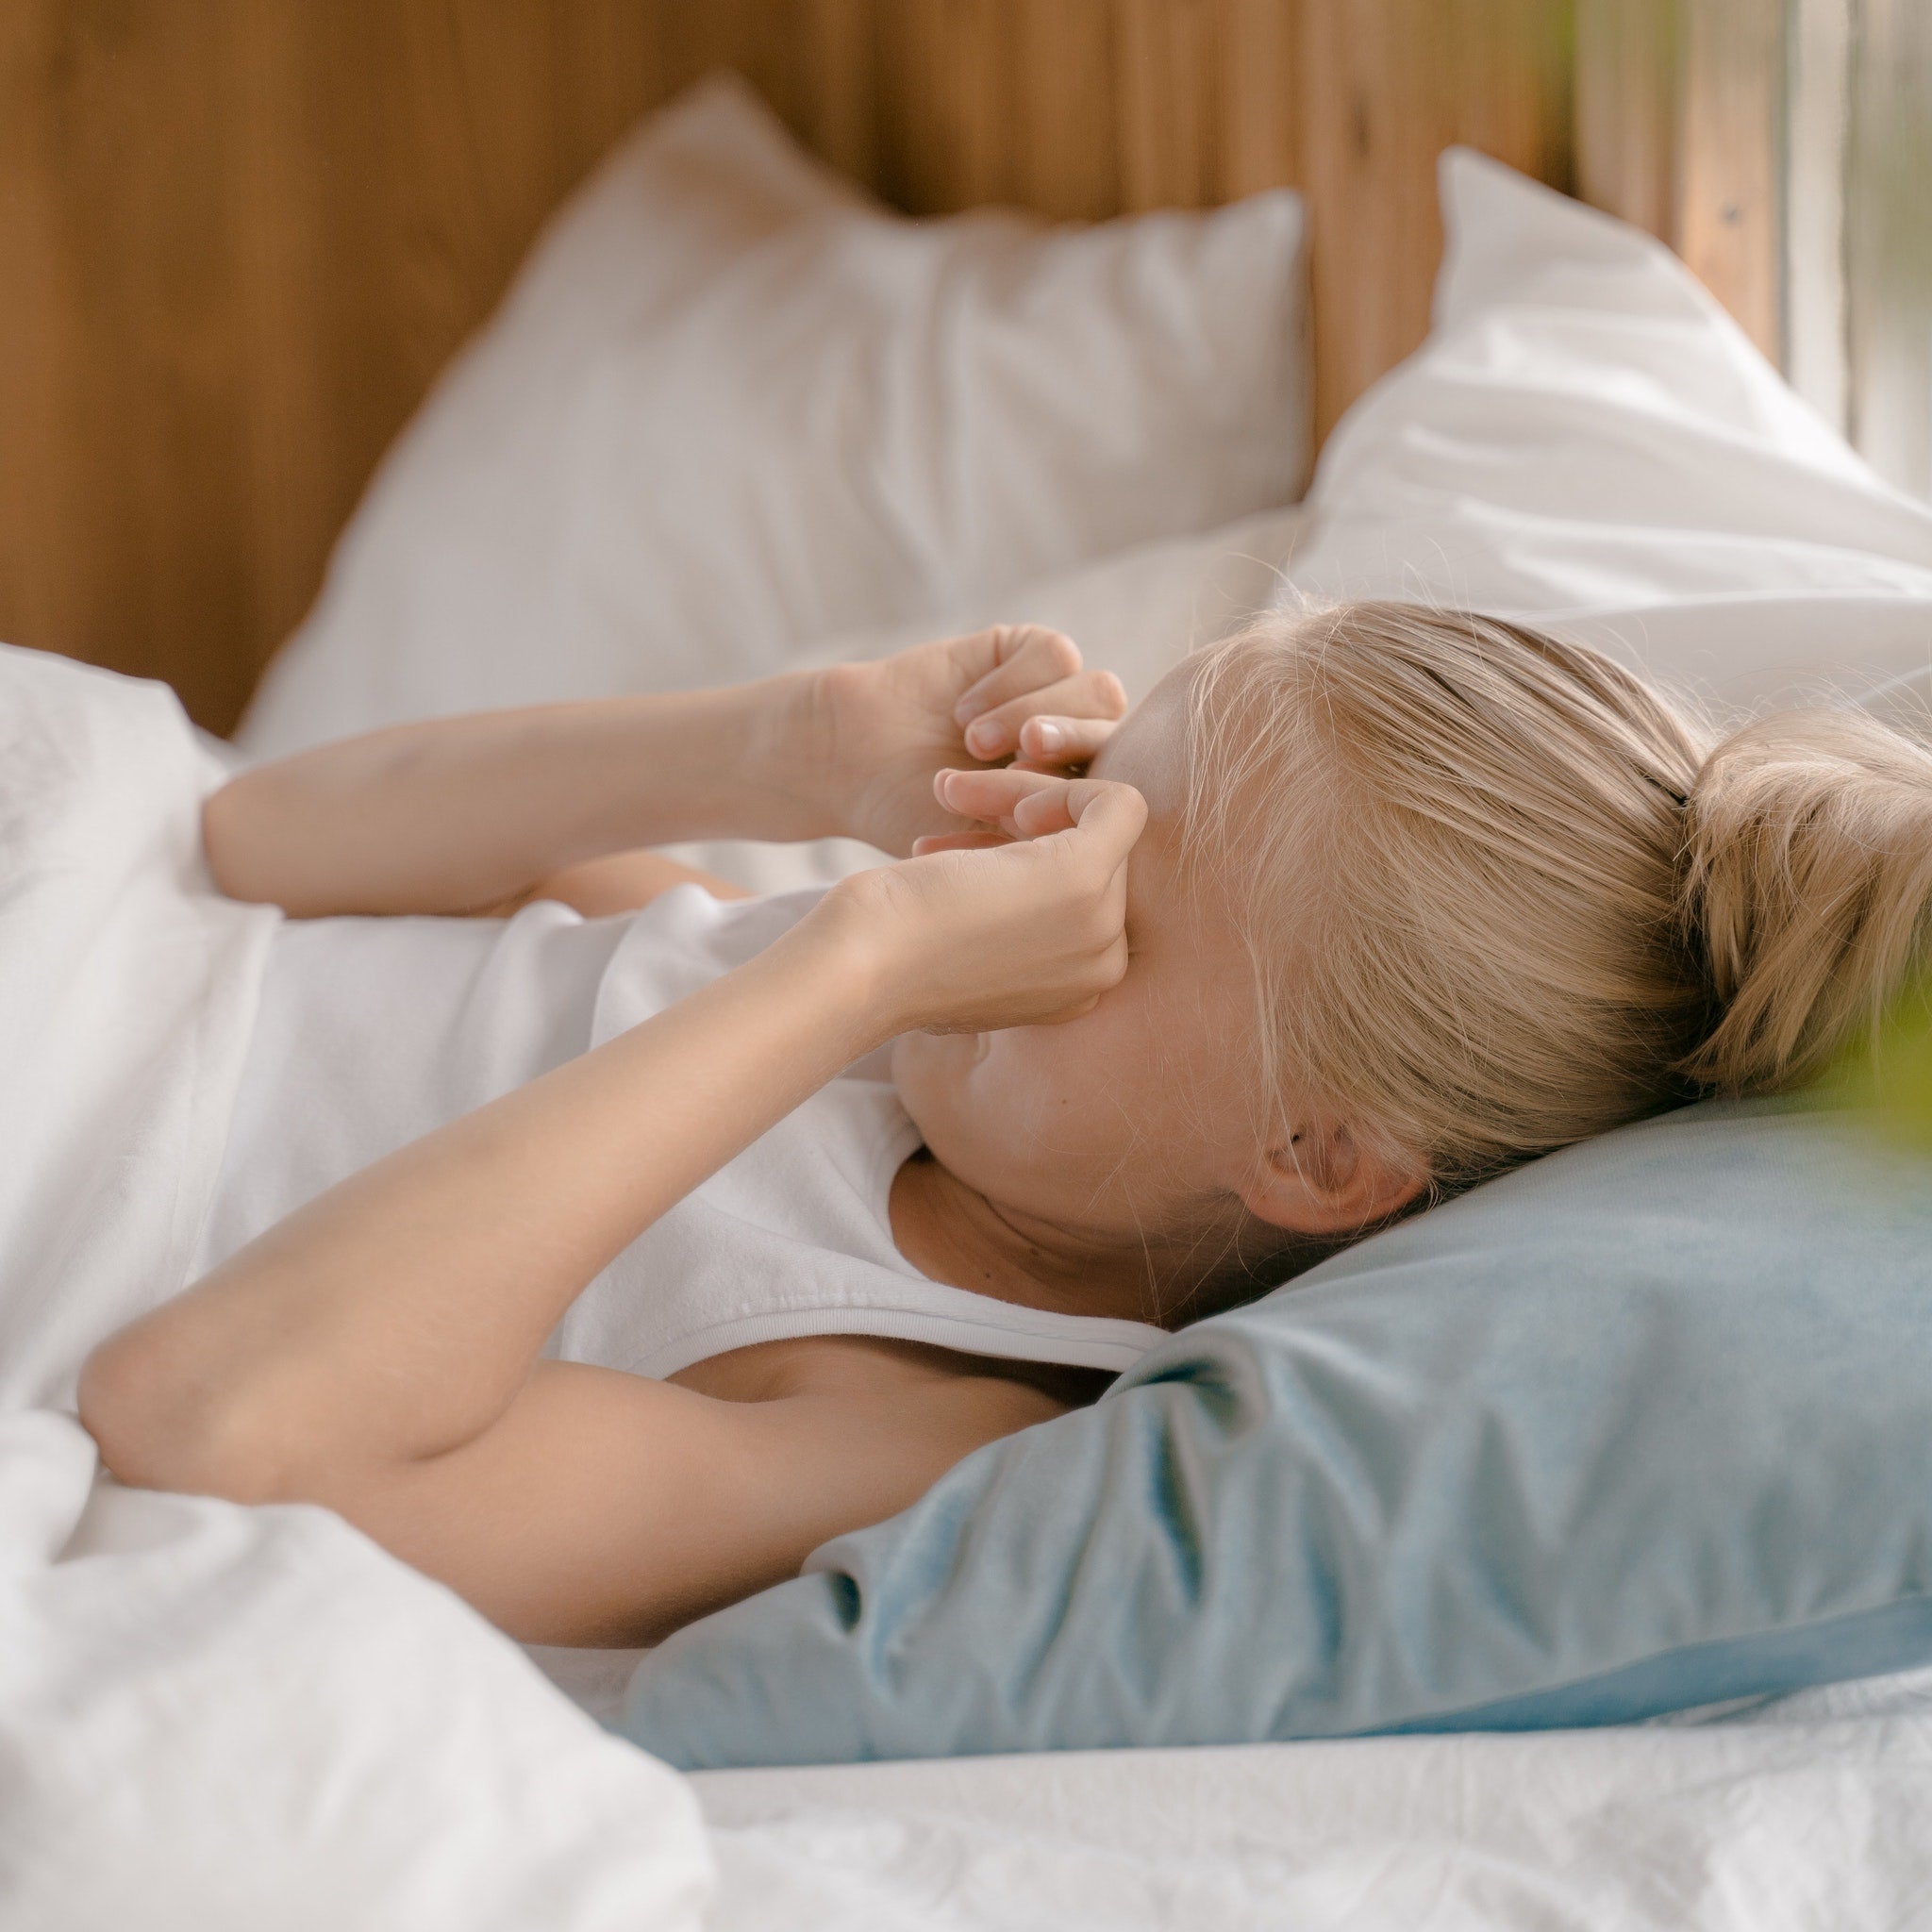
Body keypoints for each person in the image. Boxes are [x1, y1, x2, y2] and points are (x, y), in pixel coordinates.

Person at [78, 603, 1932, 1649]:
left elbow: (198, 1424)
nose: (999, 868)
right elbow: (264, 836)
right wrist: (793, 752)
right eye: (1076, 797)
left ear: (1312, 1157)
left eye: (1112, 887)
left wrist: (854, 963)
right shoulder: (835, 1027)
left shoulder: (909, 1401)